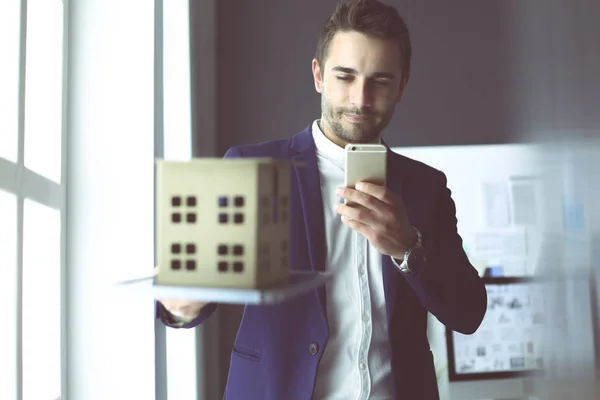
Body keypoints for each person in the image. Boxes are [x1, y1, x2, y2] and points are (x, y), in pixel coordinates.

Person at [157, 0, 487, 398]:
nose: (360, 99)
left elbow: (468, 313)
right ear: (318, 75)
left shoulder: (425, 187)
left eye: (380, 81)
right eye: (344, 76)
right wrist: (181, 303)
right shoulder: (252, 167)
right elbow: (187, 300)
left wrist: (407, 248)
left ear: (402, 86)